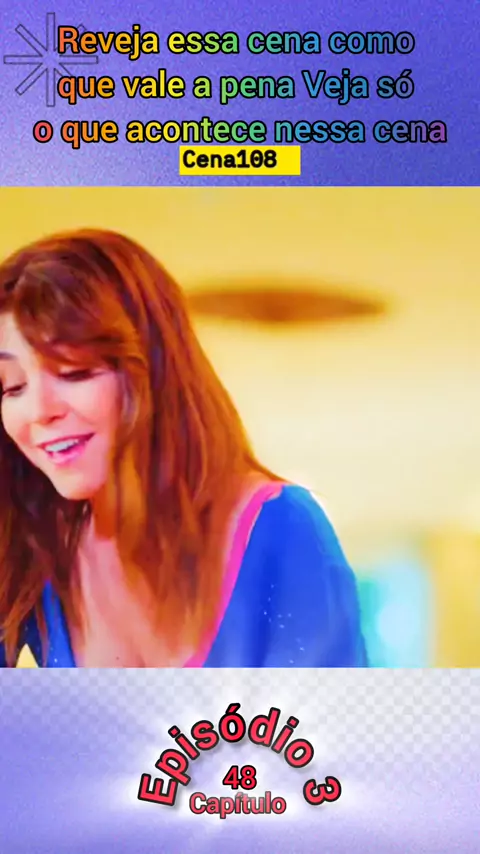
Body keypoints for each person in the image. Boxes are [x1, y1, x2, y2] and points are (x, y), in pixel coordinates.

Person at [0, 228, 367, 668]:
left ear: (152, 370)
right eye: (12, 386)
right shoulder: (34, 550)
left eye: (73, 372)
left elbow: (325, 711)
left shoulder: (279, 527)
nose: (39, 411)